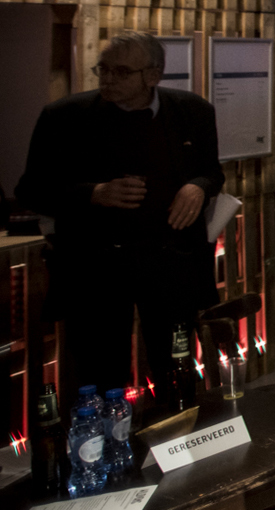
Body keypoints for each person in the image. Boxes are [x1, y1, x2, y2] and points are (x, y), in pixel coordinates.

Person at [16, 32, 223, 406]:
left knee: (175, 366)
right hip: (97, 268)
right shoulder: (64, 117)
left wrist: (198, 186)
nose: (107, 79)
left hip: (170, 264)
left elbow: (212, 172)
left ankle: (181, 448)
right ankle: (104, 455)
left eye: (121, 72)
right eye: (104, 69)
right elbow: (31, 190)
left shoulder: (193, 112)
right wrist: (93, 194)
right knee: (99, 374)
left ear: (153, 75)